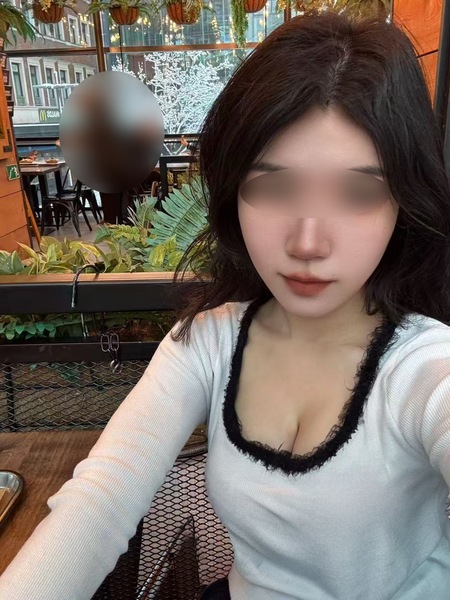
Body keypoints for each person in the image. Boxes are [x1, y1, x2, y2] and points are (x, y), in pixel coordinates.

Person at [1, 11, 450, 600]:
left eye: (358, 192)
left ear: (405, 203)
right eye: (274, 186)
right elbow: (100, 500)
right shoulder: (208, 343)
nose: (308, 242)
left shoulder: (425, 368)